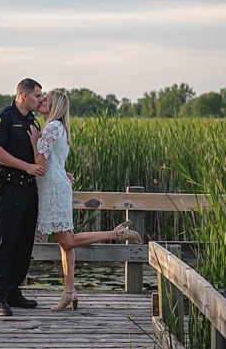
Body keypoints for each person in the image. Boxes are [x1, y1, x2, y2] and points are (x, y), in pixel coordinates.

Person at [29, 89, 142, 312]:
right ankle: (69, 291)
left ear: (54, 106)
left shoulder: (51, 128)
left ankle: (115, 233)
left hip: (52, 189)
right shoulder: (59, 127)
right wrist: (63, 172)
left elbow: (39, 165)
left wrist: (34, 141)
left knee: (68, 240)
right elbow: (54, 162)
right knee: (65, 242)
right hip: (57, 185)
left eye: (46, 100)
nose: (41, 102)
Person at [0, 78, 46, 316]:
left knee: (24, 241)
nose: (40, 100)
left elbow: (38, 154)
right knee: (4, 241)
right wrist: (26, 167)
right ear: (24, 95)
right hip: (6, 187)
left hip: (28, 188)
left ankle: (12, 291)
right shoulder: (3, 118)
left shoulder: (32, 121)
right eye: (37, 96)